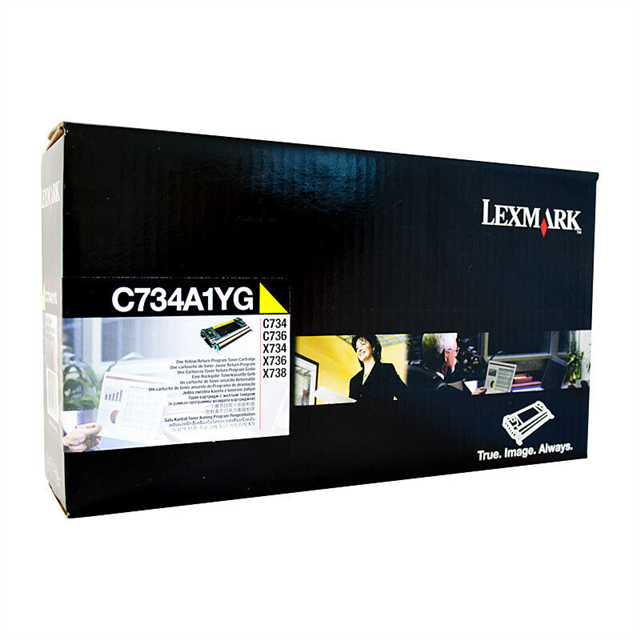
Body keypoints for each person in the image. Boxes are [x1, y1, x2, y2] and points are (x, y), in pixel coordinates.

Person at [407, 333, 486, 396]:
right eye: (455, 350)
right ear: (446, 354)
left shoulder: (412, 375)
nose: (456, 355)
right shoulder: (444, 391)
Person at [348, 334, 408, 401]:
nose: (359, 350)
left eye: (363, 344)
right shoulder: (354, 381)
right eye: (357, 348)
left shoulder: (386, 370)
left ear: (373, 347)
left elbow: (406, 395)